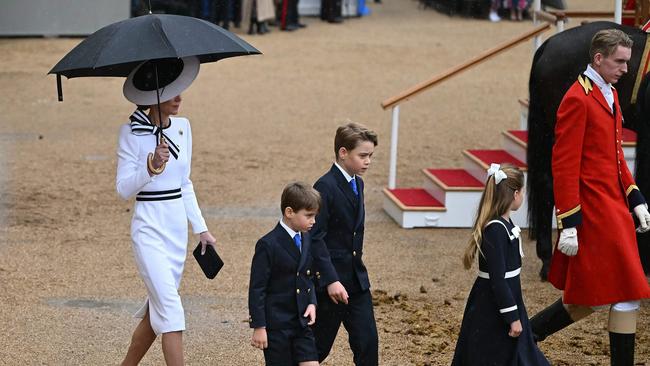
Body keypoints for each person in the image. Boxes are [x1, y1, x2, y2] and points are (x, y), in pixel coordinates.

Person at [529, 29, 650, 365]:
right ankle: (523, 336)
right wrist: (568, 223)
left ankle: (524, 336)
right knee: (612, 294)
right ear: (599, 59)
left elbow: (614, 154)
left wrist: (635, 196)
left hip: (613, 205)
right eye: (620, 62)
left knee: (601, 297)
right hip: (594, 211)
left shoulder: (608, 92)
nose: (627, 69)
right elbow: (564, 166)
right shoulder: (577, 98)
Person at [116, 56, 217, 366]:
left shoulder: (184, 127)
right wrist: (151, 165)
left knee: (157, 310)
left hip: (177, 232)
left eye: (180, 90)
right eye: (171, 92)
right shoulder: (131, 132)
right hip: (148, 228)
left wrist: (201, 228)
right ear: (152, 96)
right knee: (171, 310)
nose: (178, 97)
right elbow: (123, 189)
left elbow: (184, 183)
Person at [452, 163, 549, 366]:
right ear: (515, 194)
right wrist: (512, 317)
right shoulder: (496, 230)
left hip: (506, 303)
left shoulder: (506, 224)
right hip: (493, 309)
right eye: (522, 192)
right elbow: (498, 279)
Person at [309, 122, 379, 366]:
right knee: (316, 348)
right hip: (329, 285)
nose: (368, 161)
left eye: (370, 156)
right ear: (343, 153)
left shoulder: (358, 183)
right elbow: (315, 237)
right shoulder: (324, 187)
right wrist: (329, 280)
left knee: (368, 343)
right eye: (363, 155)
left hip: (356, 281)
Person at [248, 182, 320, 366]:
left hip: (302, 324)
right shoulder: (267, 244)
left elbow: (308, 276)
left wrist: (312, 302)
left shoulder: (306, 237)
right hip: (277, 326)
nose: (313, 221)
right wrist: (259, 326)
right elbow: (257, 289)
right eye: (309, 216)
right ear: (289, 212)